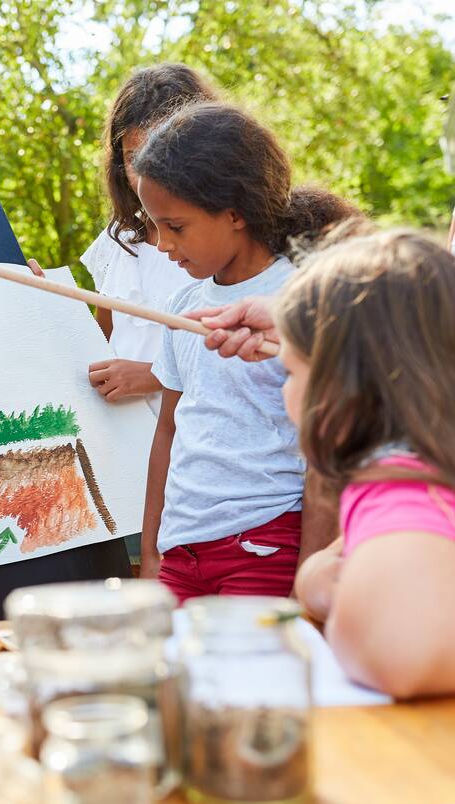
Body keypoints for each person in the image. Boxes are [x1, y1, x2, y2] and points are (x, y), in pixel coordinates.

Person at [131, 101, 358, 602]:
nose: (162, 244)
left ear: (234, 213)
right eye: (155, 225)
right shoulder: (183, 304)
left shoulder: (304, 298)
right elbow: (168, 431)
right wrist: (152, 554)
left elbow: (327, 456)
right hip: (181, 552)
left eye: (176, 227)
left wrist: (309, 576)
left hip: (265, 544)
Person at [212, 230, 455, 699]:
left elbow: (403, 655)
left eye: (292, 372)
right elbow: (333, 570)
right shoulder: (420, 477)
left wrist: (340, 603)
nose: (285, 390)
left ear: (344, 388)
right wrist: (322, 579)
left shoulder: (402, 493)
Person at [77, 63, 216, 415]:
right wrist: (47, 302)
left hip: (190, 432)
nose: (146, 175)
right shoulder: (119, 238)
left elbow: (229, 355)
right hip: (123, 430)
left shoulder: (220, 246)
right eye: (134, 159)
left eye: (161, 156)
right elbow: (103, 334)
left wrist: (154, 376)